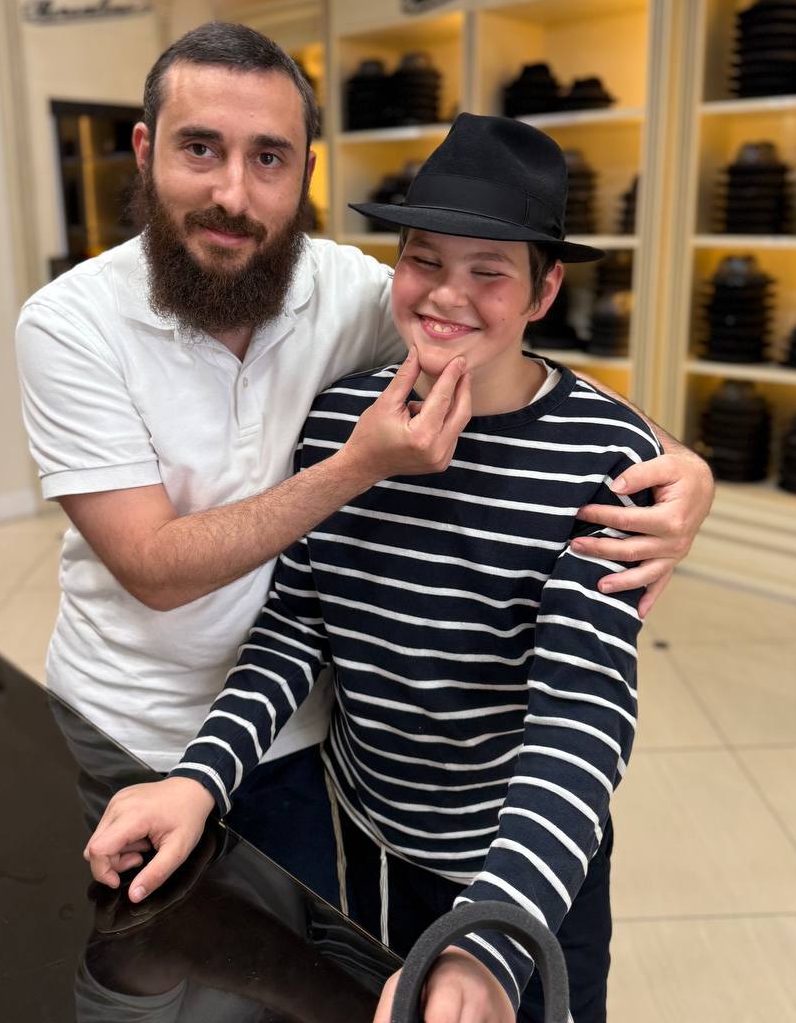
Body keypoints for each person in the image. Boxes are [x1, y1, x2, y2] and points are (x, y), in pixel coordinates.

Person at [17, 22, 711, 903]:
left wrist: (678, 461)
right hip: (137, 721)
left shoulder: (350, 290)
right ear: (147, 151)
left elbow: (499, 351)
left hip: (318, 738)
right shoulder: (68, 326)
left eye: (269, 157)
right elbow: (161, 570)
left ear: (305, 171)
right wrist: (358, 466)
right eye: (201, 148)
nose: (233, 192)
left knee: (306, 941)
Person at [84, 114, 669, 1023]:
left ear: (545, 288)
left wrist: (491, 935)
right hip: (373, 842)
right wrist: (198, 780)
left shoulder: (609, 459)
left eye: (490, 271)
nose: (448, 295)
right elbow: (297, 630)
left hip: (530, 870)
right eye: (424, 260)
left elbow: (581, 712)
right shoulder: (340, 427)